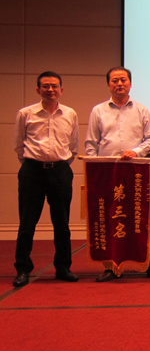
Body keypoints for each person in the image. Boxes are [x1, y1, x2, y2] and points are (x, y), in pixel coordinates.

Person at [85, 67, 150, 282]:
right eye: (115, 81)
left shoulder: (141, 110)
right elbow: (91, 144)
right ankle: (111, 266)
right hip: (107, 173)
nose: (119, 84)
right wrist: (96, 170)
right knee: (111, 217)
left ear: (130, 84)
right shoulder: (98, 111)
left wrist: (136, 152)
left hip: (135, 171)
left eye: (123, 80)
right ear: (108, 85)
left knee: (142, 217)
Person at [12, 71, 80, 288]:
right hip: (32, 172)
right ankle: (23, 269)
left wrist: (59, 165)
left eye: (54, 86)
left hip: (60, 171)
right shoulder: (26, 113)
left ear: (61, 89)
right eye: (45, 86)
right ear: (38, 89)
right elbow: (19, 145)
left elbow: (73, 147)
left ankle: (63, 267)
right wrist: (34, 164)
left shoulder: (70, 114)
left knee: (62, 223)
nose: (50, 89)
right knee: (27, 223)